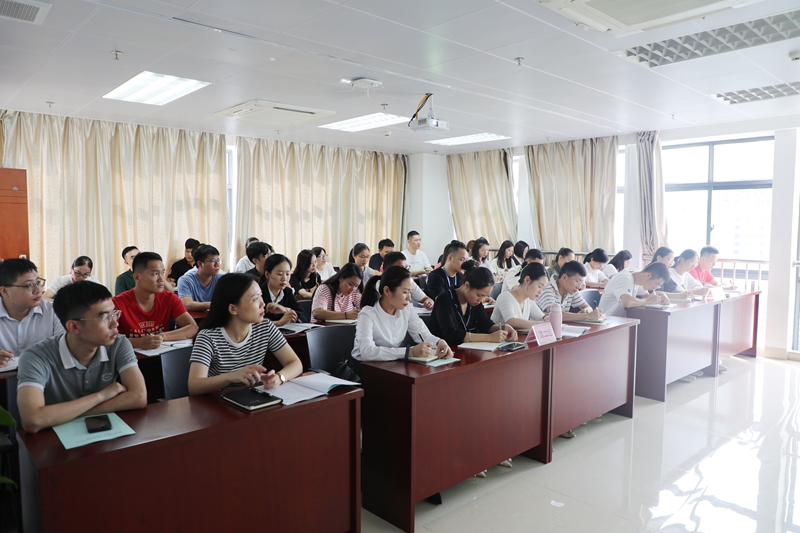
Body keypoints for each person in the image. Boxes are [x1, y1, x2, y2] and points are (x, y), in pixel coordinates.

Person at [16, 281, 147, 433]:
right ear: (74, 327)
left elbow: (139, 396)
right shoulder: (35, 357)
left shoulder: (118, 343)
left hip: (106, 434)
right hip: (54, 443)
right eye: (105, 318)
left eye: (114, 314)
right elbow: (32, 420)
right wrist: (101, 396)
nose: (115, 323)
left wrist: (69, 413)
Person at [187, 273, 303, 396]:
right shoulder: (208, 337)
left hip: (250, 398)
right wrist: (231, 376)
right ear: (233, 309)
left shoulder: (265, 327)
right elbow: (194, 386)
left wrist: (280, 377)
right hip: (217, 403)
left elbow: (295, 363)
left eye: (261, 296)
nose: (262, 304)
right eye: (255, 299)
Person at [350, 266, 453, 376]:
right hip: (364, 369)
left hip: (390, 366)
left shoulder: (407, 309)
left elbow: (424, 334)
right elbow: (367, 352)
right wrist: (409, 352)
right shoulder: (368, 313)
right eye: (405, 292)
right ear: (387, 291)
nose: (409, 298)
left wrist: (439, 342)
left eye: (411, 292)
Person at [112, 252, 198, 350]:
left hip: (162, 358)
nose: (161, 279)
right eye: (155, 274)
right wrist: (138, 342)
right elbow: (103, 339)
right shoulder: (117, 303)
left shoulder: (169, 298)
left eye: (162, 273)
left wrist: (162, 337)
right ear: (137, 277)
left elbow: (193, 327)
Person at [431, 262, 516, 346]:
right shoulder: (444, 299)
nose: (481, 300)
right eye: (479, 295)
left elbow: (486, 325)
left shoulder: (475, 302)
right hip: (446, 352)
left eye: (485, 296)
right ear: (467, 285)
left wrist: (503, 328)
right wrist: (489, 338)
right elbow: (451, 334)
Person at [0, 259, 64, 366]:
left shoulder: (55, 311)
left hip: (45, 378)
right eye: (29, 285)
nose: (38, 290)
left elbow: (64, 350)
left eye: (38, 282)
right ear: (5, 291)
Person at [536, 261, 603, 322]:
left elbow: (588, 307)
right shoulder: (547, 288)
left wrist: (586, 310)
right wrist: (586, 316)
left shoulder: (571, 290)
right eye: (577, 282)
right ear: (565, 277)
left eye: (581, 283)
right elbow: (555, 315)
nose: (579, 287)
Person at [598, 262, 670, 317]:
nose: (655, 287)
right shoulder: (625, 278)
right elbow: (628, 302)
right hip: (606, 322)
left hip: (617, 322)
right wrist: (648, 301)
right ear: (648, 275)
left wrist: (661, 296)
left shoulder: (637, 280)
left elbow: (648, 296)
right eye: (656, 284)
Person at [493, 262, 549, 330]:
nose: (541, 292)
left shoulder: (528, 300)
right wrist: (542, 324)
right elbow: (512, 322)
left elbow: (541, 317)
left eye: (543, 288)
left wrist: (546, 318)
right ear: (527, 280)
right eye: (539, 286)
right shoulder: (505, 297)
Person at [261, 254, 308, 325]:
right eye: (279, 274)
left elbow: (305, 318)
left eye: (287, 274)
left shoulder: (287, 292)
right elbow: (252, 323)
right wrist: (277, 323)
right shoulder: (258, 294)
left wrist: (286, 310)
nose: (284, 278)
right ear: (267, 274)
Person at [177, 244, 224, 311]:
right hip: (194, 319)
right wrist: (215, 304)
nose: (217, 265)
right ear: (200, 264)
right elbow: (187, 304)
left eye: (218, 260)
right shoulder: (185, 280)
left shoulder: (221, 279)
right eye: (213, 261)